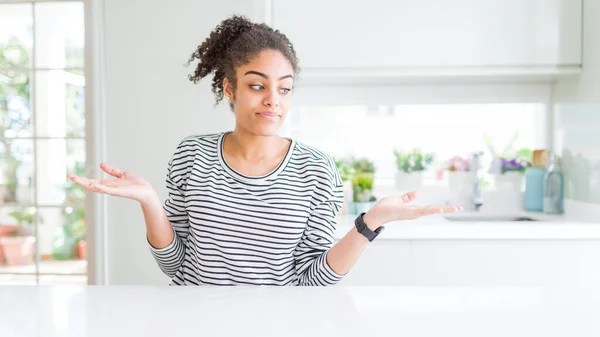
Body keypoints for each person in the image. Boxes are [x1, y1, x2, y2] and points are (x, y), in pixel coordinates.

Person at [68, 15, 462, 286]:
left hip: (277, 322)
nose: (273, 100)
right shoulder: (192, 155)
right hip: (189, 321)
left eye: (284, 87)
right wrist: (150, 202)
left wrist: (370, 222)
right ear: (229, 88)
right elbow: (175, 264)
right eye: (257, 85)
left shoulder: (316, 169)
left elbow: (313, 277)